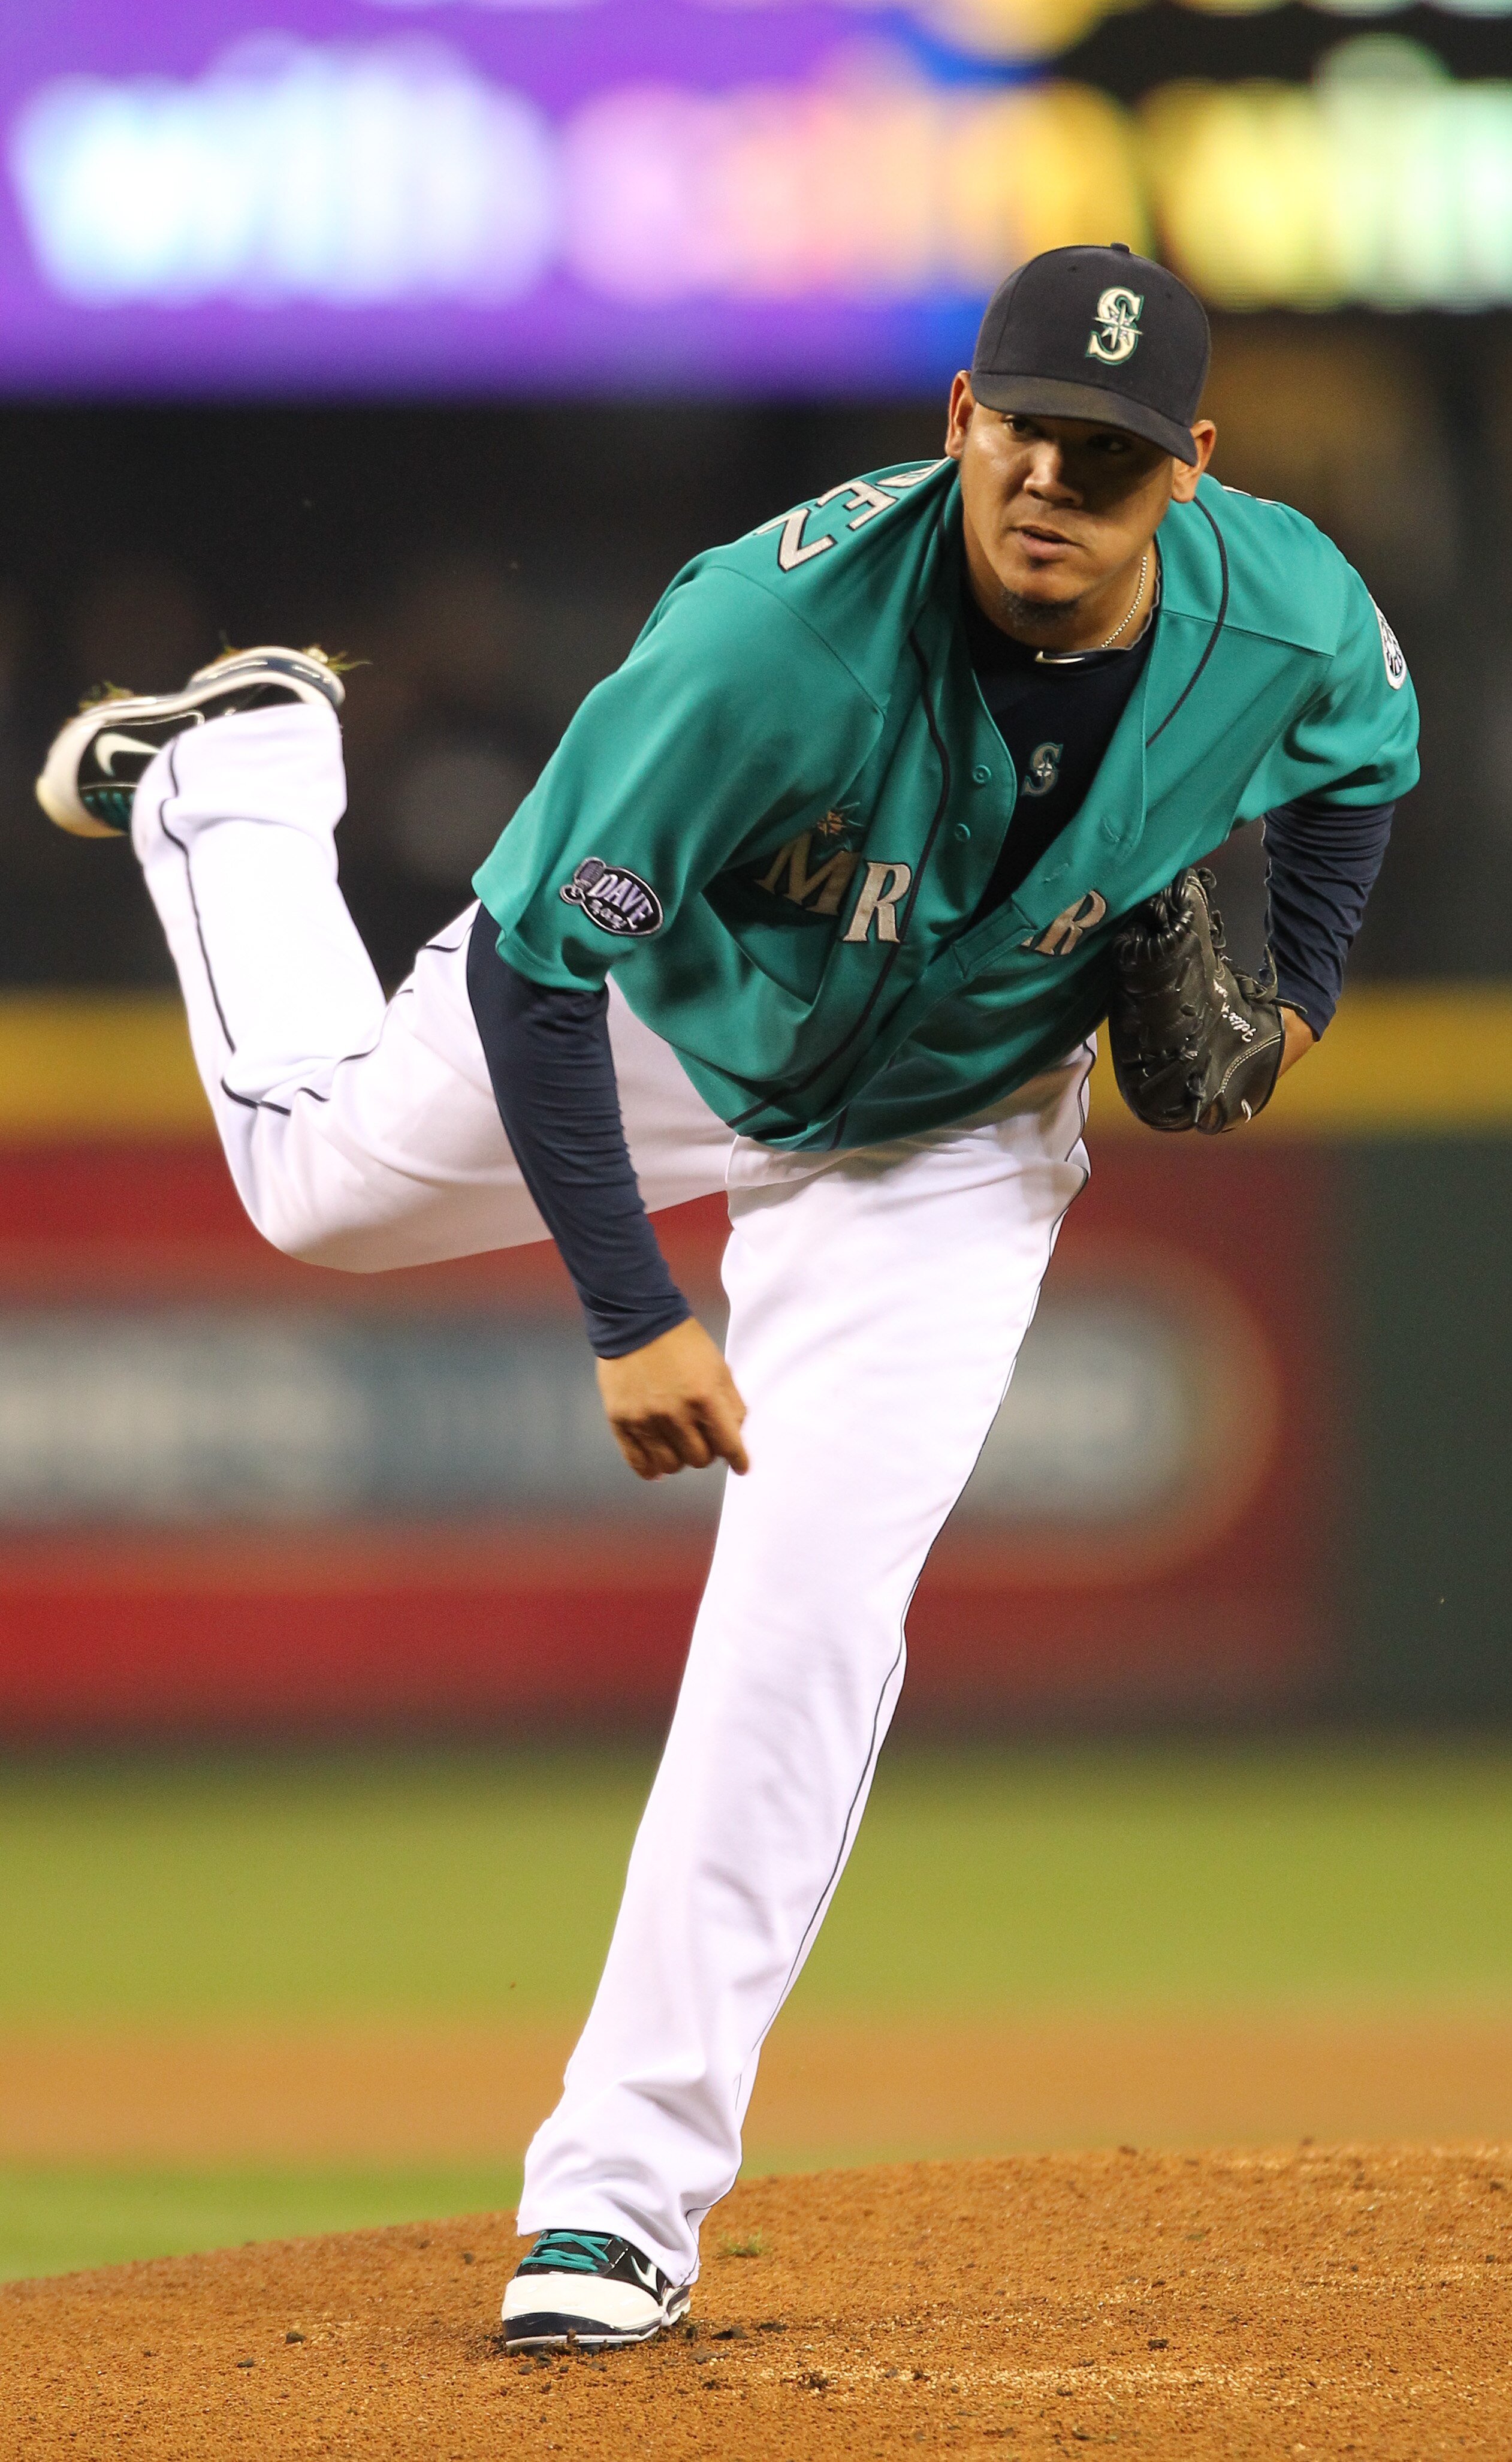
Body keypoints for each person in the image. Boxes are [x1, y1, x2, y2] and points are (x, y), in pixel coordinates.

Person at [36, 243, 1416, 2353]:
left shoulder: (1282, 603)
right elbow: (532, 969)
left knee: (807, 1626)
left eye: (1113, 457)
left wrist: (1295, 999)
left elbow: (1364, 755)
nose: (1057, 479)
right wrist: (625, 1307)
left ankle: (616, 2199)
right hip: (669, 1032)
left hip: (947, 1141)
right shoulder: (765, 643)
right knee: (309, 1184)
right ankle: (241, 782)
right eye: (1028, 429)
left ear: (1189, 473)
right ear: (961, 414)